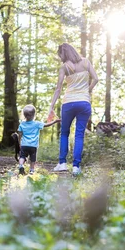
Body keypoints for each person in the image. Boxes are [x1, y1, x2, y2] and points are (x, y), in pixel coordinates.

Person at [48, 43, 99, 176]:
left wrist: (51, 107)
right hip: (84, 102)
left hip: (69, 102)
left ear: (63, 54)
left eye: (60, 55)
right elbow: (96, 79)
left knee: (64, 133)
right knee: (79, 135)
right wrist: (87, 91)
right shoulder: (86, 62)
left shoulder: (64, 67)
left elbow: (58, 88)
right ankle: (76, 167)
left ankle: (62, 163)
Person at [17, 104, 60, 175]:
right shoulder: (37, 124)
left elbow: (20, 135)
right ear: (34, 115)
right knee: (32, 158)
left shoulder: (22, 124)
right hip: (33, 145)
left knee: (22, 156)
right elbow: (46, 125)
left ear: (24, 115)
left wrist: (19, 143)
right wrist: (54, 121)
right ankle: (31, 170)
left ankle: (21, 165)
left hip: (24, 144)